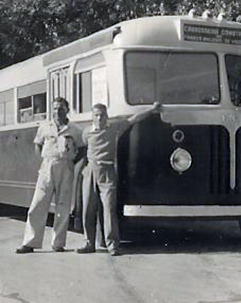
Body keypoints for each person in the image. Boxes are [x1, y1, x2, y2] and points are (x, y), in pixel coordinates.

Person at [77, 102, 162, 256]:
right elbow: (82, 147)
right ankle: (89, 243)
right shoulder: (86, 132)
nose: (99, 118)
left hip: (107, 171)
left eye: (102, 115)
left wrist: (152, 110)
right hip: (90, 171)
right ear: (92, 117)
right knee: (88, 208)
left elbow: (134, 119)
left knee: (109, 208)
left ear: (106, 116)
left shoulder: (113, 128)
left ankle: (112, 246)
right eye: (96, 115)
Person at [16, 97, 85, 254]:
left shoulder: (74, 129)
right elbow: (37, 144)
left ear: (67, 109)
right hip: (47, 167)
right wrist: (43, 161)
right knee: (38, 204)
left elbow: (82, 149)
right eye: (54, 108)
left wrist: (73, 164)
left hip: (65, 167)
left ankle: (58, 243)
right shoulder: (45, 126)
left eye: (61, 108)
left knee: (63, 206)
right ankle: (30, 242)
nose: (57, 111)